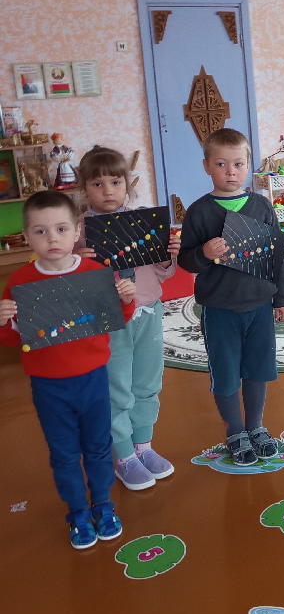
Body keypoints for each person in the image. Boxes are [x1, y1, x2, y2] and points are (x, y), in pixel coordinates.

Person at [0, 191, 136, 549]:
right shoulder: (19, 282)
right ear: (26, 237)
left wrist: (126, 299)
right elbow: (12, 338)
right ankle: (77, 512)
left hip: (93, 378)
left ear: (77, 231)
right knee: (63, 453)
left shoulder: (95, 273)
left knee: (99, 446)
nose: (52, 238)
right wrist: (4, 321)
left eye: (61, 229)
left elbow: (117, 318)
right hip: (48, 386)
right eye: (40, 231)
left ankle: (103, 505)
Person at [178, 128, 284, 466]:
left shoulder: (262, 205)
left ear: (249, 165)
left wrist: (282, 298)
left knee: (258, 369)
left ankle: (256, 426)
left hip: (259, 306)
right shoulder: (199, 211)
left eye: (238, 164)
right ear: (206, 166)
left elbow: (277, 257)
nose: (231, 172)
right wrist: (204, 253)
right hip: (220, 308)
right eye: (221, 164)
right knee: (226, 372)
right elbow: (185, 260)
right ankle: (235, 430)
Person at [74, 146, 180, 491]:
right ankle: (123, 455)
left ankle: (143, 446)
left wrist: (167, 257)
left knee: (147, 383)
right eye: (97, 184)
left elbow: (161, 274)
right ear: (84, 188)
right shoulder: (77, 232)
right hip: (109, 320)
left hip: (147, 310)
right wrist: (77, 261)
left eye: (115, 182)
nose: (108, 190)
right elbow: (68, 285)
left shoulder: (143, 221)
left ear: (126, 184)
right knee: (116, 387)